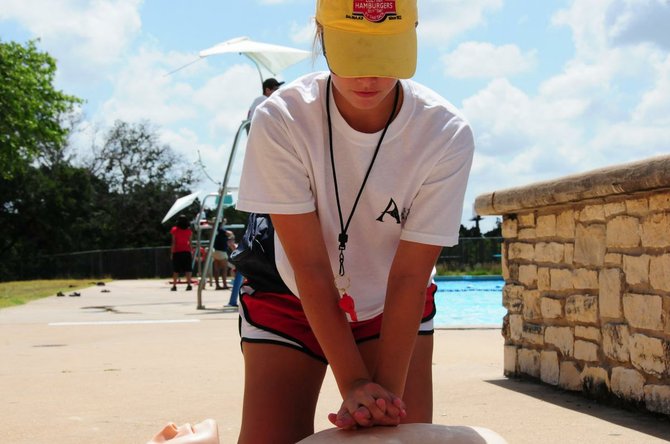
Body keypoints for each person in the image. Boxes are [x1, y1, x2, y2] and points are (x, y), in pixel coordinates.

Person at [234, 1, 475, 442]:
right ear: (321, 35)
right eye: (354, 52)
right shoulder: (280, 119)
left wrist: (381, 402)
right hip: (288, 288)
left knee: (397, 435)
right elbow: (309, 266)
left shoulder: (446, 133)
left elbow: (409, 276)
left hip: (393, 297)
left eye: (385, 53)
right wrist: (354, 384)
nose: (368, 76)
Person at [170, 214, 193, 291]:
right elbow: (190, 242)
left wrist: (172, 252)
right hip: (186, 251)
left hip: (177, 251)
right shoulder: (189, 231)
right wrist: (191, 251)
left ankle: (174, 286)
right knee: (188, 269)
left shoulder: (174, 230)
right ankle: (189, 284)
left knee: (176, 270)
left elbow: (173, 242)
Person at [212, 221, 235, 290]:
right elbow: (230, 233)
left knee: (216, 270)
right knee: (224, 269)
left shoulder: (215, 231)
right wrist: (231, 237)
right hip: (221, 252)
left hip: (215, 251)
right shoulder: (221, 230)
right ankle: (224, 285)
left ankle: (217, 285)